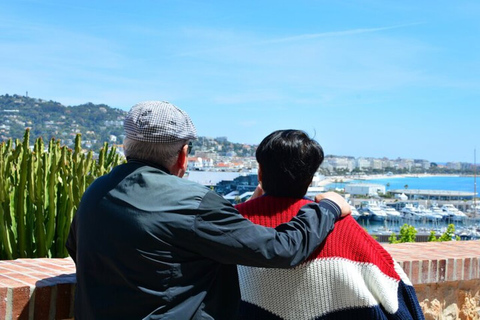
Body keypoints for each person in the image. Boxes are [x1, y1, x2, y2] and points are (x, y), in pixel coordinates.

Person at [66, 101, 351, 320]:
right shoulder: (192, 202)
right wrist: (326, 208)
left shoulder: (97, 191)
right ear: (182, 155)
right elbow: (282, 249)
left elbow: (77, 247)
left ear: (127, 146)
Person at [235, 129, 425, 319]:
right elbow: (393, 288)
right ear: (310, 180)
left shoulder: (231, 225)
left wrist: (246, 208)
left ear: (259, 173)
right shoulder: (340, 224)